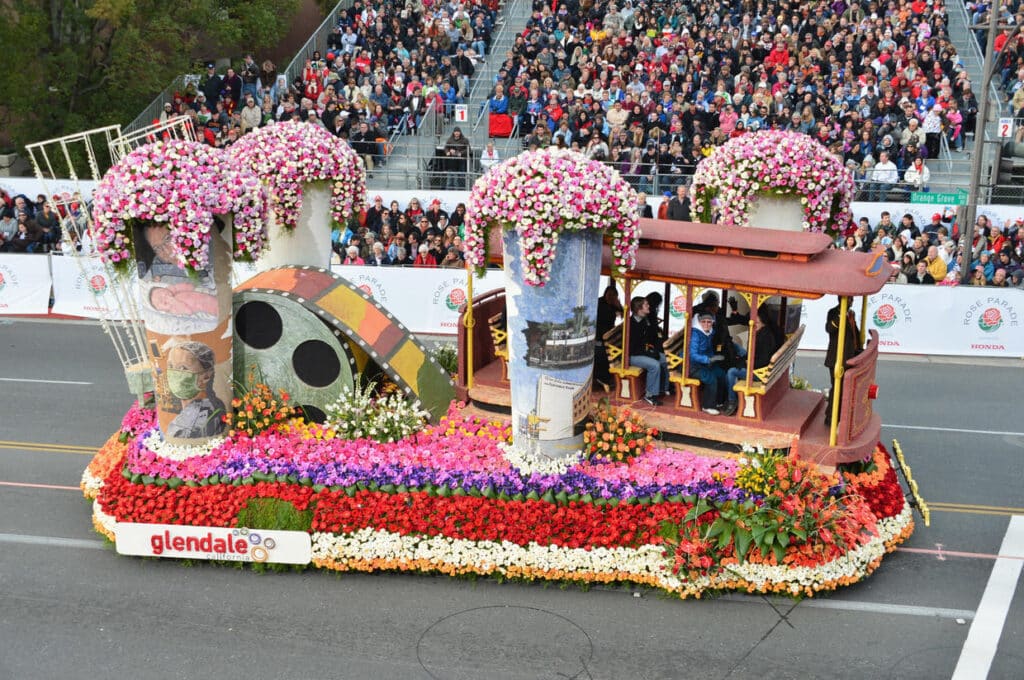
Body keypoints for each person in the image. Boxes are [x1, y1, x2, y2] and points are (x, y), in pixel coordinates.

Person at [165, 341, 226, 439]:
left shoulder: (185, 427)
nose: (174, 373)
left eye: (183, 368)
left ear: (206, 376)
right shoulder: (216, 404)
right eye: (170, 366)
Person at [824, 297, 862, 426]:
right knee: (837, 389)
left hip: (849, 357)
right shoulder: (833, 312)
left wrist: (859, 349)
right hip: (836, 358)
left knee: (845, 390)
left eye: (852, 300)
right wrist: (840, 317)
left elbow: (854, 333)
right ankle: (830, 418)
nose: (852, 302)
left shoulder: (851, 314)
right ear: (842, 300)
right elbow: (829, 328)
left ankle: (841, 416)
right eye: (850, 300)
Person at [627, 296, 669, 406]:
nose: (649, 306)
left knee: (665, 360)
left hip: (643, 352)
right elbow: (633, 348)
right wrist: (649, 353)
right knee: (654, 365)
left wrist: (652, 350)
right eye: (646, 305)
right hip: (632, 355)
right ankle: (650, 395)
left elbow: (648, 339)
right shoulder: (631, 324)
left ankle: (662, 388)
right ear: (639, 309)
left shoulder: (643, 320)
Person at [688, 313, 729, 415]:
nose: (706, 324)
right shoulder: (695, 334)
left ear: (712, 323)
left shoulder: (710, 332)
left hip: (704, 363)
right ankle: (707, 406)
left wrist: (713, 358)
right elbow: (692, 355)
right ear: (699, 322)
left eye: (709, 322)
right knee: (711, 379)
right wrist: (708, 360)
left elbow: (709, 349)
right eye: (703, 322)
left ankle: (719, 401)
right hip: (691, 366)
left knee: (721, 374)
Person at [594, 284, 623, 392]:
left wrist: (619, 305)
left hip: (606, 335)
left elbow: (622, 312)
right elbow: (602, 323)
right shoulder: (601, 304)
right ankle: (603, 379)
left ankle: (605, 379)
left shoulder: (610, 304)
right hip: (600, 336)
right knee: (604, 357)